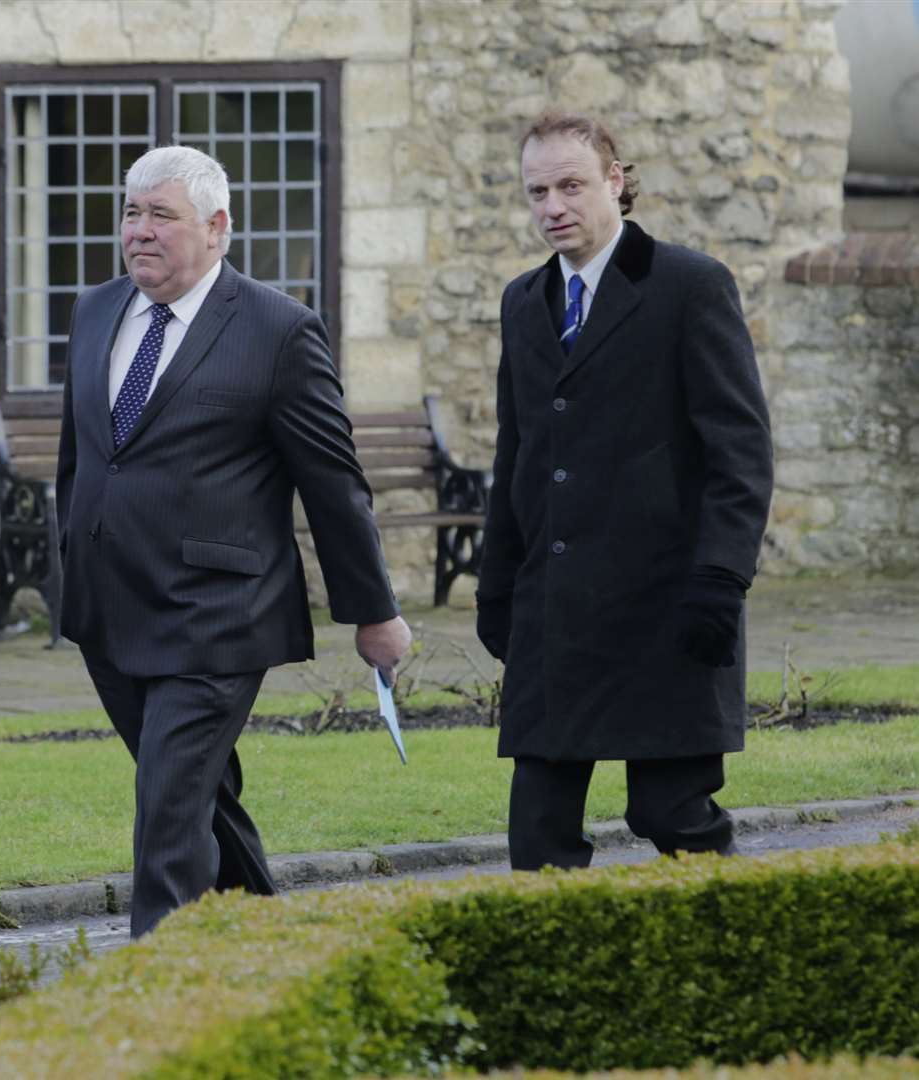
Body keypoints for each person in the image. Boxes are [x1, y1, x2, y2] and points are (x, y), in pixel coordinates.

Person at [56, 146, 413, 938]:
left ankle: (162, 1006)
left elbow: (332, 482)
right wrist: (69, 564)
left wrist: (374, 612)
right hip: (108, 613)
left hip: (216, 615)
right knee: (198, 797)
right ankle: (270, 952)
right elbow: (81, 460)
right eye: (131, 213)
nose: (139, 233)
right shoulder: (96, 309)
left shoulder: (279, 330)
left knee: (168, 815)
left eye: (162, 216)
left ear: (217, 229)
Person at [476, 110, 773, 872]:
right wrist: (497, 581)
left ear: (615, 180)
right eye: (537, 191)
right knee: (538, 838)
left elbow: (739, 452)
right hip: (556, 611)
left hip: (667, 604)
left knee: (669, 814)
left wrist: (720, 579)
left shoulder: (689, 286)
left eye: (570, 185)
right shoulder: (523, 301)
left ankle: (731, 969)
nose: (553, 207)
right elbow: (519, 450)